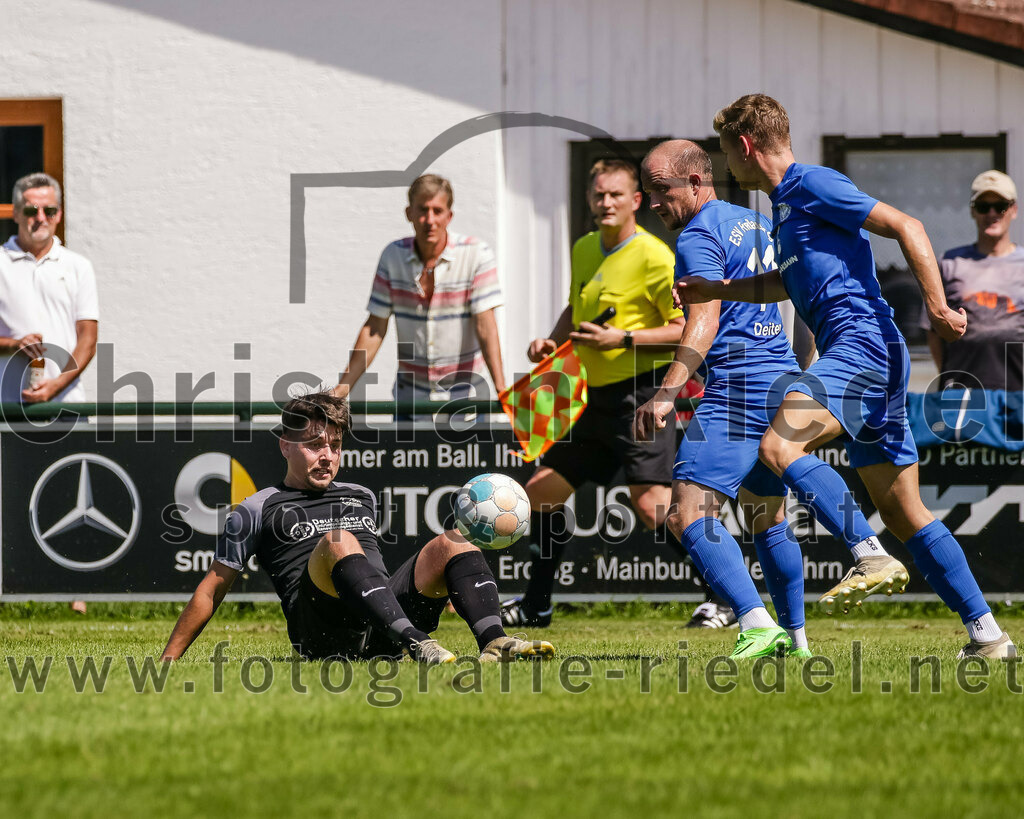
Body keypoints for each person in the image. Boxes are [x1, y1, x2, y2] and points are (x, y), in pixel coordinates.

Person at [677, 93, 1014, 659]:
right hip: (865, 353)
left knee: (778, 448)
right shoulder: (783, 211)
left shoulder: (810, 183)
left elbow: (907, 225)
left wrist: (936, 305)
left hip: (862, 347)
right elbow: (788, 285)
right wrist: (717, 290)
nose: (725, 167)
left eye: (724, 153)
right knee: (907, 511)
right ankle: (988, 635)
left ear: (745, 145)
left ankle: (867, 552)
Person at [161, 392, 554, 664]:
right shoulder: (256, 507)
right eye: (314, 444)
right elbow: (213, 587)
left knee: (452, 539)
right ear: (284, 445)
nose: (327, 456)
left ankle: (494, 641)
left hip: (383, 622)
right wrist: (168, 659)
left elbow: (375, 571)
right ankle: (415, 642)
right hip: (322, 634)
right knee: (338, 539)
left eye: (334, 444)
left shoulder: (361, 494)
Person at [634, 140, 808, 658]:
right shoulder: (753, 222)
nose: (654, 202)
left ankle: (755, 623)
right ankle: (796, 640)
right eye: (648, 191)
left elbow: (704, 320)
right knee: (767, 518)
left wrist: (666, 393)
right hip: (779, 377)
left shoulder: (697, 234)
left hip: (736, 389)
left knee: (688, 515)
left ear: (695, 181)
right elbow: (792, 296)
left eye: (660, 190)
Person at [500, 158, 691, 628]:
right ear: (590, 200)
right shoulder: (586, 247)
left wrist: (621, 340)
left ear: (636, 202)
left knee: (652, 509)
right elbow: (576, 304)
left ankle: (726, 600)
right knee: (541, 494)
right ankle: (536, 605)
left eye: (616, 195)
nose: (606, 202)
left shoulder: (655, 256)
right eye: (599, 194)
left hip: (641, 396)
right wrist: (552, 342)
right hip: (589, 397)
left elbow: (686, 327)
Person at [1, 172, 99, 616]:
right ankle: (12, 589)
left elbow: (88, 338)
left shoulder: (77, 265)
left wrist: (58, 385)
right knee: (10, 493)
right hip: (9, 401)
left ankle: (77, 591)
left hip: (68, 400)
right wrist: (10, 345)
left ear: (59, 214)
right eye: (31, 209)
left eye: (49, 210)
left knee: (71, 492)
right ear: (16, 212)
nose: (40, 218)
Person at [334, 174, 506, 406]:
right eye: (423, 210)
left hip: (465, 401)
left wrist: (501, 389)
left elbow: (485, 325)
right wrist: (341, 390)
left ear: (449, 216)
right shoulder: (393, 256)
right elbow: (375, 327)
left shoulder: (476, 253)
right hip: (410, 400)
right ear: (409, 213)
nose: (430, 220)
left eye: (437, 211)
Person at [926, 170, 1023, 392]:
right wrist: (948, 373)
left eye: (1000, 206)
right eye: (982, 206)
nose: (992, 213)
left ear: (1014, 210)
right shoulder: (949, 262)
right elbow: (932, 328)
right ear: (973, 211)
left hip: (1019, 393)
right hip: (963, 393)